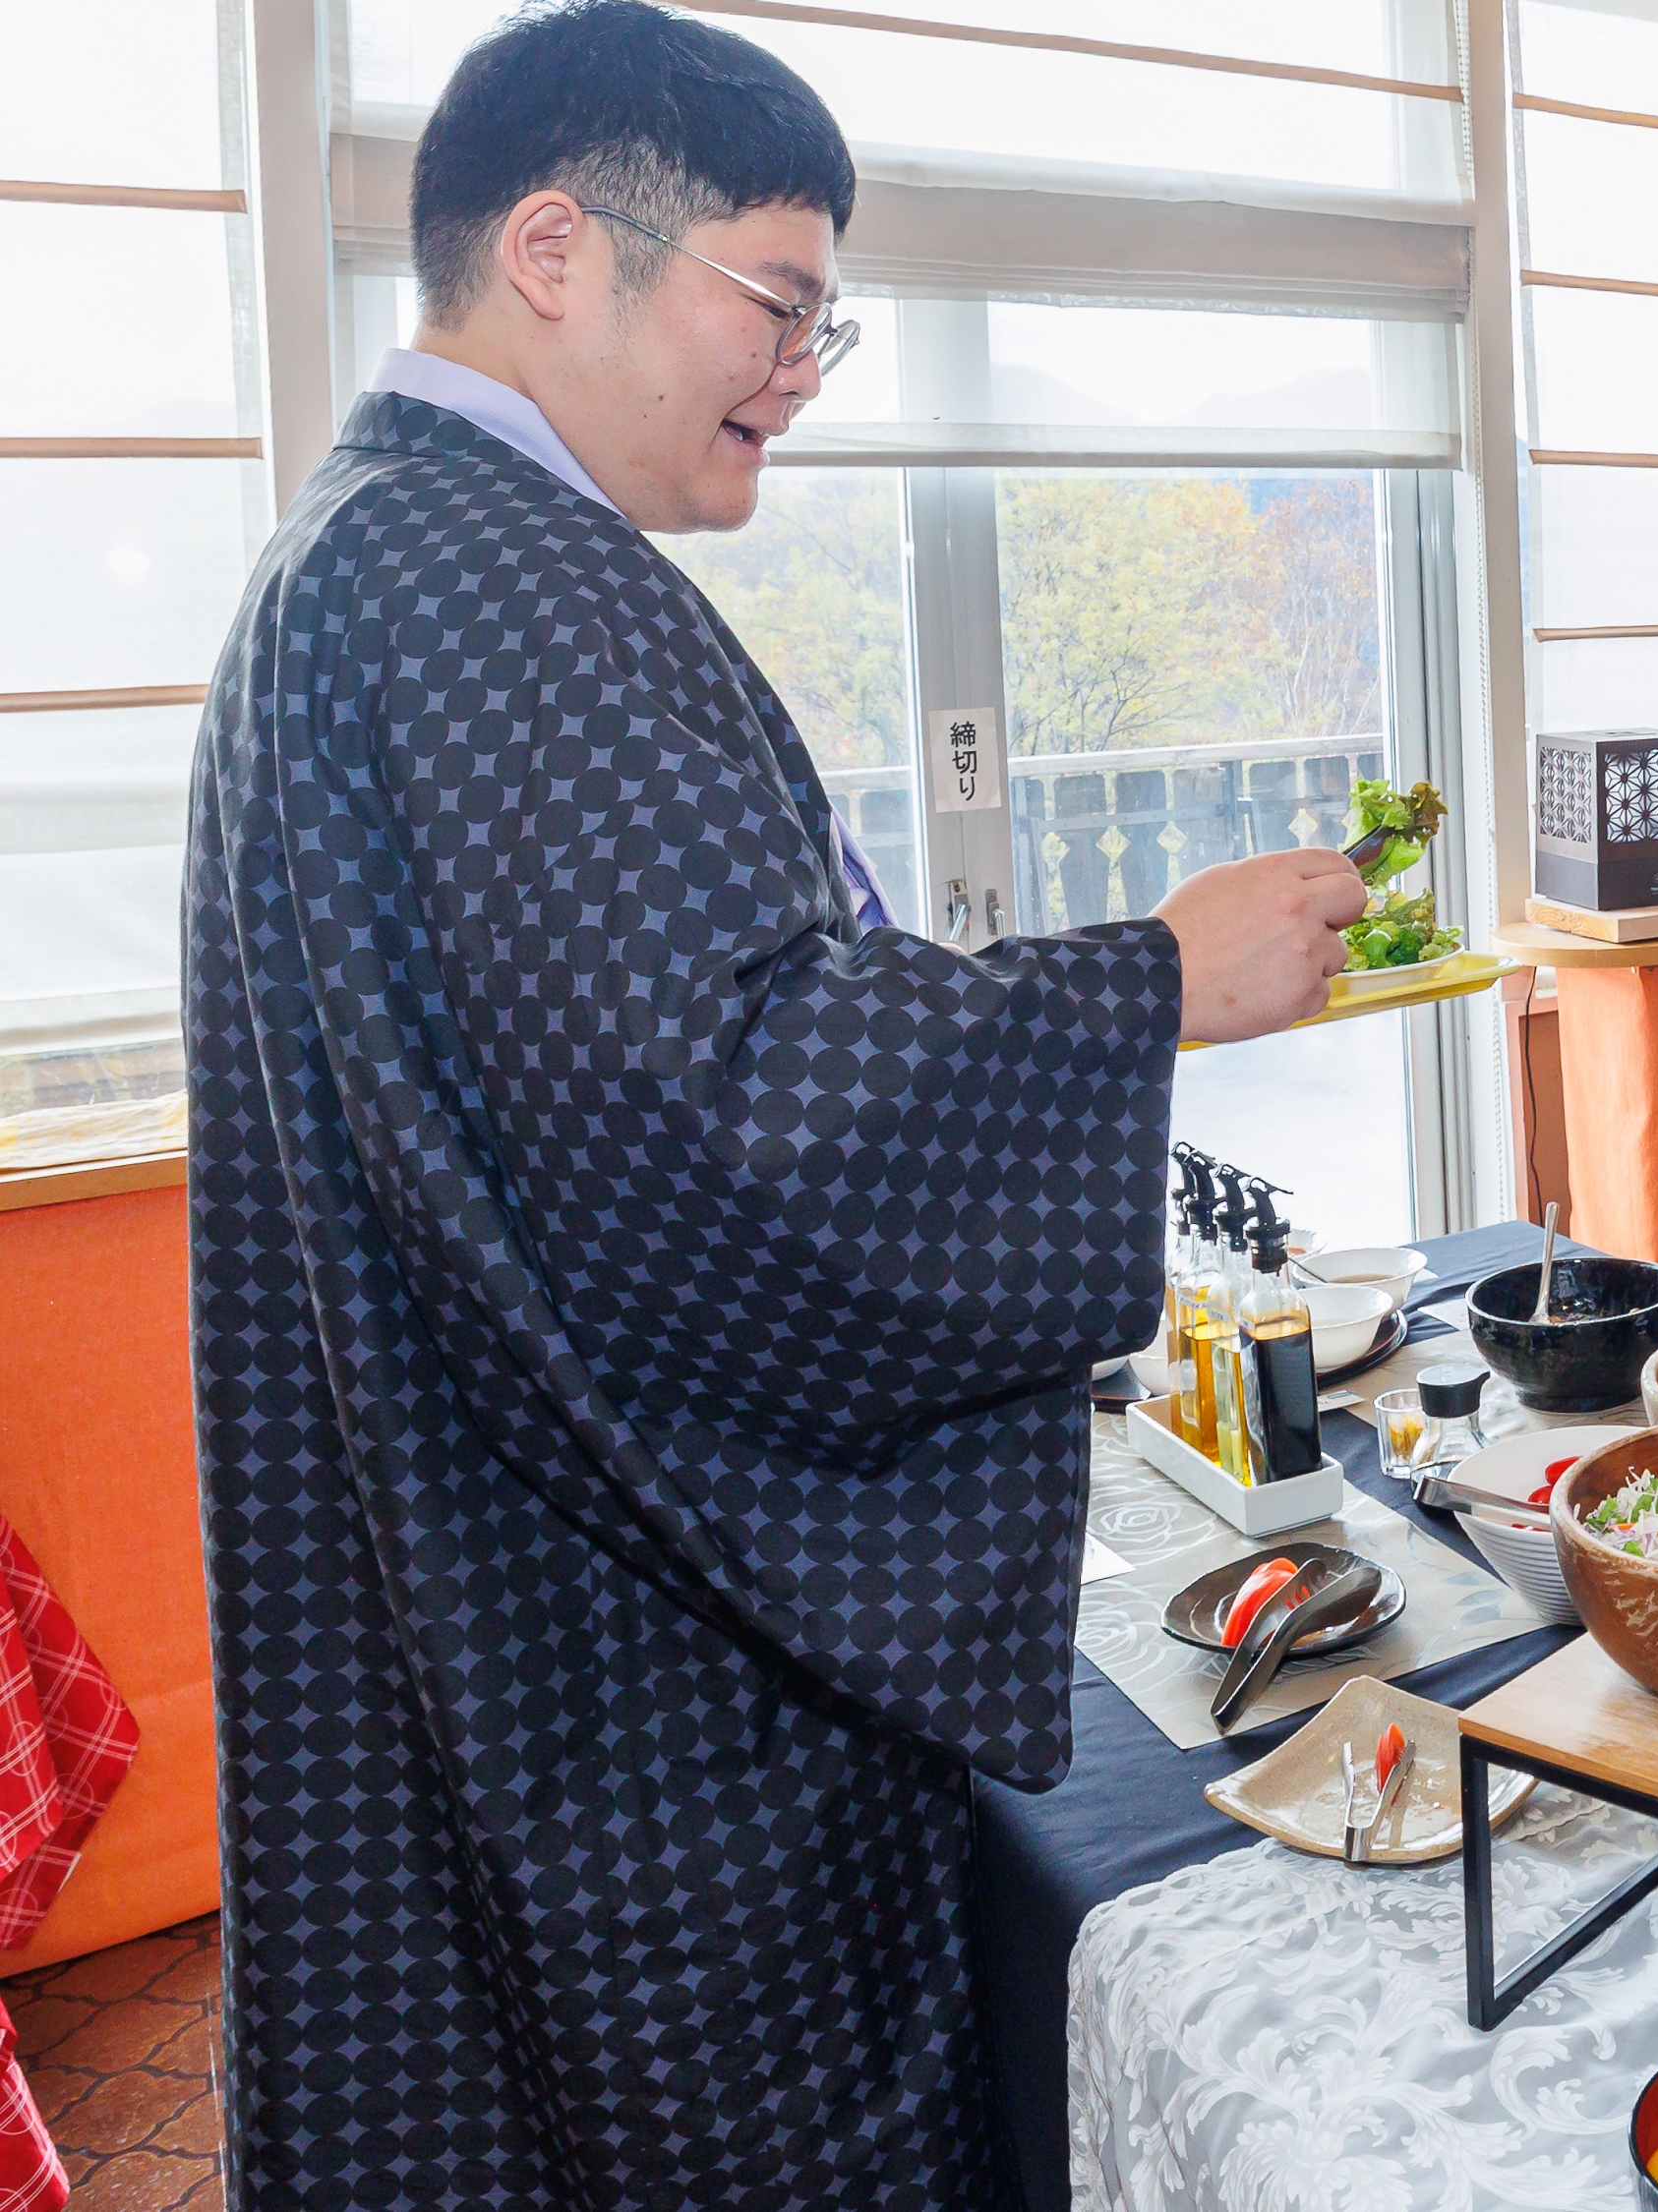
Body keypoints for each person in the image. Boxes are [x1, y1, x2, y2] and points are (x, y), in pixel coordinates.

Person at [180, 7, 1369, 2202]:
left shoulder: (362, 554)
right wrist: (1156, 982)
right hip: (618, 1707)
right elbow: (735, 1126)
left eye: (829, 319)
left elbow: (610, 1085)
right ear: (556, 250)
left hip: (476, 1581)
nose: (806, 369)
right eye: (778, 300)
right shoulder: (502, 583)